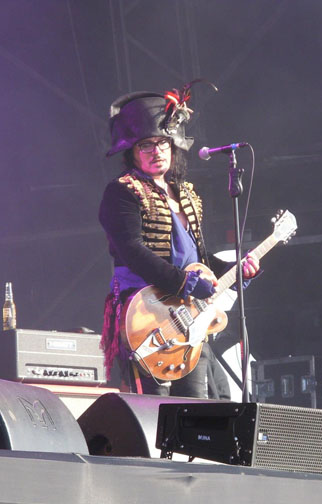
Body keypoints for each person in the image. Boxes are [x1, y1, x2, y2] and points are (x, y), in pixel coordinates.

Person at [99, 85, 259, 397]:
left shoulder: (185, 193)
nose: (156, 151)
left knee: (198, 406)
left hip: (188, 317)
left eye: (162, 143)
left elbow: (198, 256)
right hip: (146, 314)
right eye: (146, 145)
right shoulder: (122, 191)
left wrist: (236, 271)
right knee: (153, 409)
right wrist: (184, 283)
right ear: (132, 151)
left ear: (173, 146)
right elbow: (132, 251)